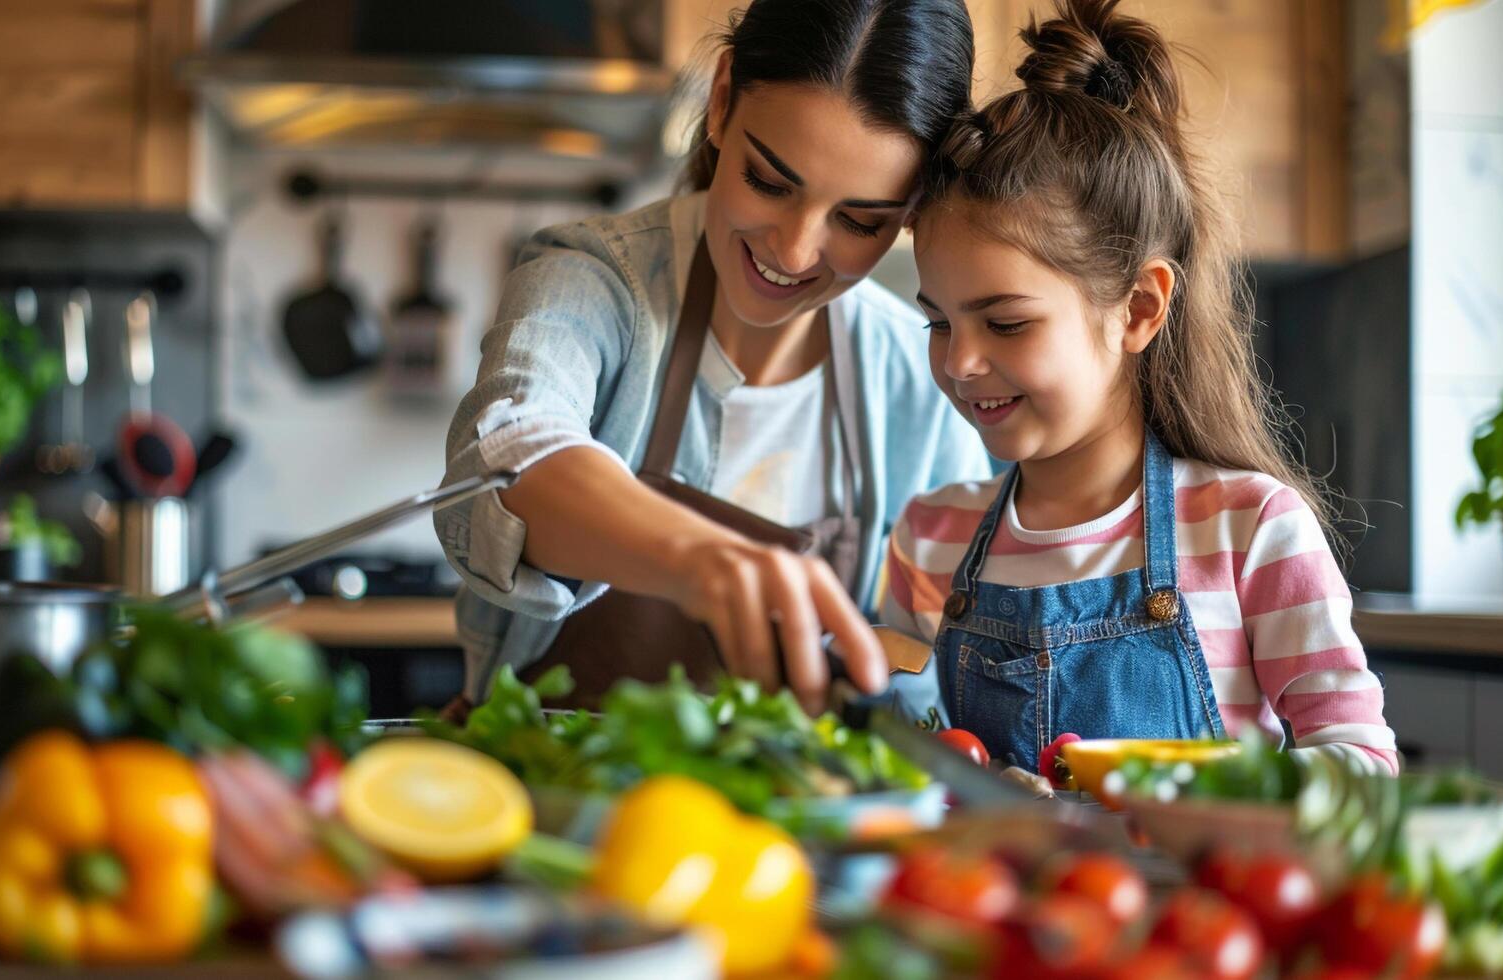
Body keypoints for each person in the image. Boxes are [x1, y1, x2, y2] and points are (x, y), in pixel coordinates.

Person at [883, 0, 1398, 772]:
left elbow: (1359, 762)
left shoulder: (1249, 530)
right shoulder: (928, 537)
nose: (958, 362)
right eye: (939, 324)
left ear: (1138, 308)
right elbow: (900, 755)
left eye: (1007, 323)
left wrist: (1176, 789)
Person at [437, 0, 990, 713]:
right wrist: (698, 560)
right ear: (722, 100)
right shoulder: (596, 282)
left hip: (793, 820)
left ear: (915, 205)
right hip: (557, 807)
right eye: (769, 180)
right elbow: (504, 456)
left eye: (859, 221)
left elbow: (943, 651)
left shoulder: (914, 372)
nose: (793, 251)